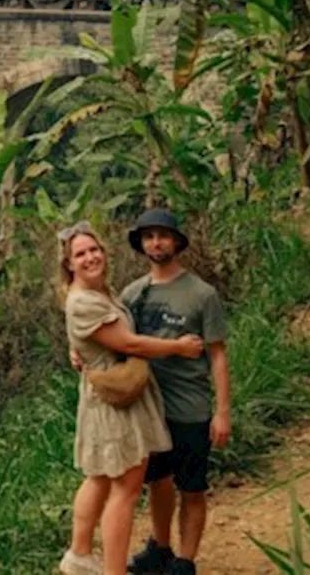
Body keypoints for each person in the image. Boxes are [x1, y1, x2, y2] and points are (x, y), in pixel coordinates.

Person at [59, 222, 204, 575]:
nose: (90, 257)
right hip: (115, 400)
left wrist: (77, 348)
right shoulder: (84, 302)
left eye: (94, 250)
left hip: (111, 394)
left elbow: (100, 337)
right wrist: (179, 347)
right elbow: (130, 344)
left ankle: (79, 555)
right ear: (69, 265)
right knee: (125, 487)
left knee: (100, 476)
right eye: (80, 254)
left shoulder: (100, 293)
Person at [121, 209, 230, 575]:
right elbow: (116, 341)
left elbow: (217, 355)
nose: (156, 242)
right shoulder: (132, 294)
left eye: (163, 235)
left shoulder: (202, 294)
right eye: (149, 236)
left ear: (177, 242)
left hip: (191, 407)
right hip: (148, 407)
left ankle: (185, 560)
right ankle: (161, 547)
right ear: (141, 244)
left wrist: (223, 411)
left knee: (193, 486)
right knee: (157, 481)